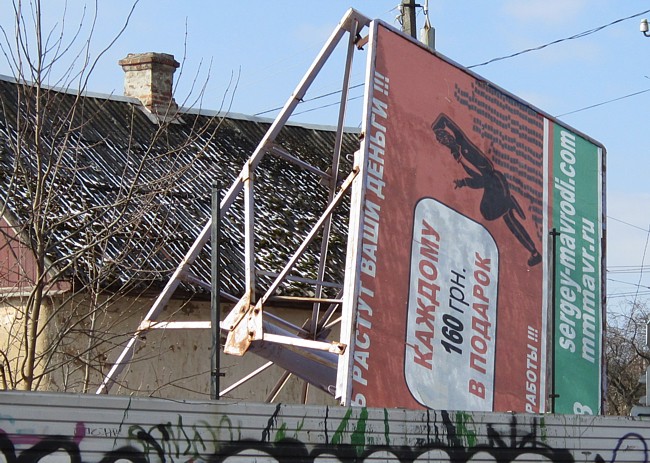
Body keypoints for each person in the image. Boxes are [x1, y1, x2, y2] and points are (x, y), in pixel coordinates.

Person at [432, 113, 542, 267]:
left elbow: (480, 180)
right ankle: (533, 251)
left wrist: (464, 182)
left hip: (495, 185)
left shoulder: (463, 148)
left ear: (449, 137)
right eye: (440, 140)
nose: (442, 141)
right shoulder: (458, 152)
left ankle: (534, 251)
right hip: (494, 185)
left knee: (492, 213)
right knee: (507, 219)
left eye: (443, 138)